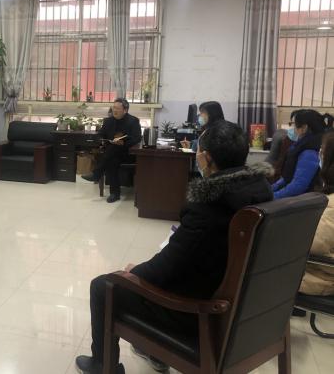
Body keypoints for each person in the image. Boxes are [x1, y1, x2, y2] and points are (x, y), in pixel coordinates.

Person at [75, 120, 274, 374]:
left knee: (104, 286)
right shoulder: (261, 191)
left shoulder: (209, 205)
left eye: (199, 150)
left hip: (195, 311)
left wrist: (133, 273)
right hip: (241, 307)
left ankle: (103, 366)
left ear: (207, 158)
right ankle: (152, 351)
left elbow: (166, 268)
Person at [81, 98, 142, 203]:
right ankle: (114, 194)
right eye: (114, 108)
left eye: (118, 108)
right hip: (112, 153)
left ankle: (97, 173)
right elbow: (100, 134)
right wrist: (101, 140)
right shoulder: (108, 121)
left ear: (125, 110)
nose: (115, 110)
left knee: (113, 150)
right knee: (112, 160)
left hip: (127, 153)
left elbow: (137, 138)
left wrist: (123, 143)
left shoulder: (133, 121)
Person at [299, 131, 334, 296]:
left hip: (320, 278)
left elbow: (312, 245)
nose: (319, 154)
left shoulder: (331, 206)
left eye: (322, 151)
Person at [272, 109, 327, 199]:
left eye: (294, 125)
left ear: (304, 128)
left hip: (301, 200)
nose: (293, 128)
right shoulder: (303, 144)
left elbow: (297, 187)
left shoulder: (310, 153)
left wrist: (272, 197)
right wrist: (269, 190)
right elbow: (287, 178)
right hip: (292, 196)